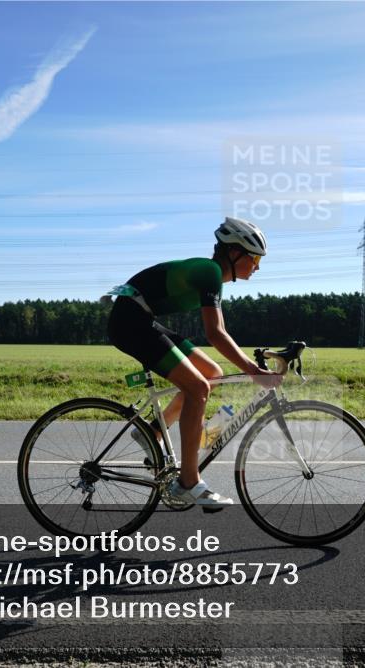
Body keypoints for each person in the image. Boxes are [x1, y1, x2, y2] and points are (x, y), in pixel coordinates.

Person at [107, 217, 281, 511]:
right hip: (131, 322)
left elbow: (220, 331)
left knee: (212, 373)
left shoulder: (212, 276)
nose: (257, 266)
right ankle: (188, 482)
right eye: (254, 258)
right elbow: (215, 334)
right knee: (198, 387)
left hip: (140, 317)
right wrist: (253, 371)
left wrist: (252, 368)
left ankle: (153, 432)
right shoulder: (209, 272)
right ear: (235, 253)